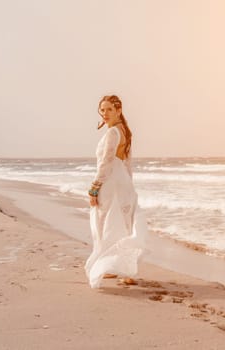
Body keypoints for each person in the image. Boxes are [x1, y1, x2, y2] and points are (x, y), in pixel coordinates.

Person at [84, 95, 147, 289]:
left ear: (118, 110)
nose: (105, 114)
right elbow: (128, 163)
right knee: (122, 224)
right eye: (102, 110)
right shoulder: (125, 131)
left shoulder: (113, 132)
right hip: (123, 182)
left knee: (106, 224)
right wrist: (129, 184)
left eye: (109, 109)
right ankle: (121, 268)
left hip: (111, 183)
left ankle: (120, 268)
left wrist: (95, 187)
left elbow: (106, 162)